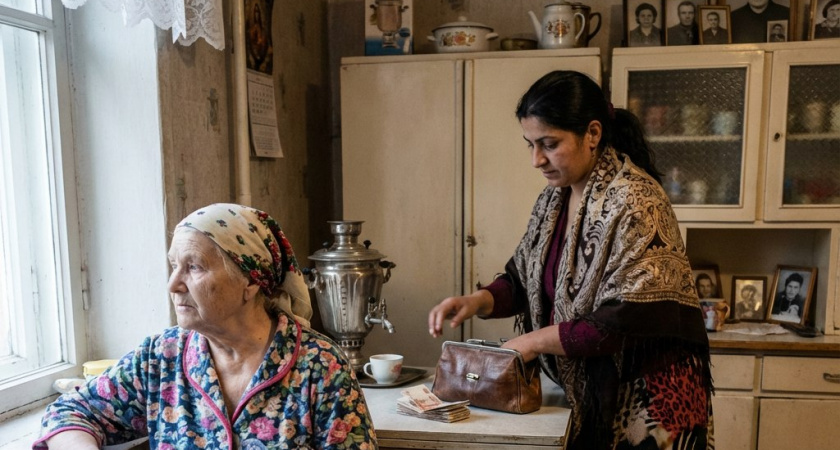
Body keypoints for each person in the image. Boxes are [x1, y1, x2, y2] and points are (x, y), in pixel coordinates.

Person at [428, 71, 713, 449]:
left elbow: (628, 317)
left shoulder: (636, 201)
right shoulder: (554, 200)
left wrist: (533, 342)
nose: (536, 159)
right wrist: (476, 301)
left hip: (650, 400)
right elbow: (524, 278)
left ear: (592, 134)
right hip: (597, 391)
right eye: (530, 144)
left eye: (549, 143)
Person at [34, 204, 377, 449]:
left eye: (194, 267)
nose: (173, 284)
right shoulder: (161, 358)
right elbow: (71, 411)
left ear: (250, 282)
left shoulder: (320, 367)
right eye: (173, 266)